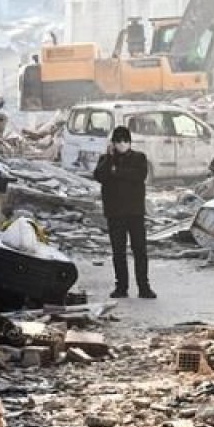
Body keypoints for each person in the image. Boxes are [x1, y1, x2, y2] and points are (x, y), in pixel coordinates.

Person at [93, 126, 155, 299]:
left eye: (125, 140)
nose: (122, 144)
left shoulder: (139, 158)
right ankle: (121, 287)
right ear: (113, 143)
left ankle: (144, 287)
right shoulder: (106, 159)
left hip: (135, 212)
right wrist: (110, 160)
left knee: (140, 251)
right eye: (118, 141)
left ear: (130, 141)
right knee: (118, 252)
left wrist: (116, 172)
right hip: (115, 213)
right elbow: (99, 176)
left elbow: (138, 175)